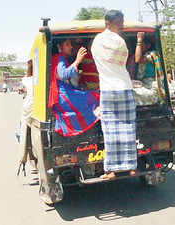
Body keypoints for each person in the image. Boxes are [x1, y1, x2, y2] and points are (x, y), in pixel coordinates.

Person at [91, 10, 137, 180]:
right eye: (119, 23)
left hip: (108, 90)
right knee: (128, 129)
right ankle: (131, 167)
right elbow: (123, 60)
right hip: (124, 88)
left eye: (121, 22)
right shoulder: (120, 41)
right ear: (109, 23)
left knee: (110, 131)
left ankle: (111, 170)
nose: (121, 26)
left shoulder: (98, 41)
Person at [49, 38, 100, 137]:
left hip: (63, 95)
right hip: (64, 97)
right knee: (96, 98)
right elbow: (63, 75)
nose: (71, 47)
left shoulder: (58, 58)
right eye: (67, 44)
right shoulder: (59, 58)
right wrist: (77, 61)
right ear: (59, 47)